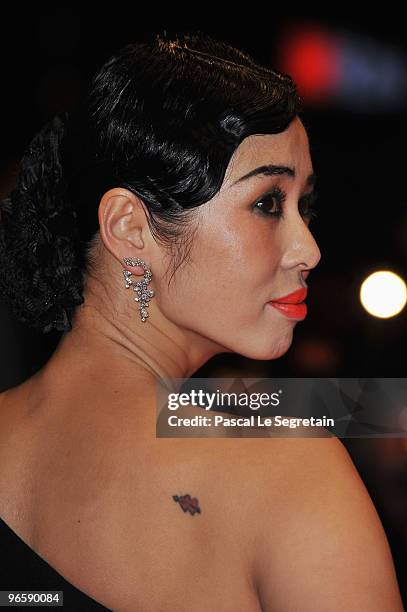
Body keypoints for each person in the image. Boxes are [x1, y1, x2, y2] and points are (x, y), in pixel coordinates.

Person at [0, 30, 403, 611]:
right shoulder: (282, 458)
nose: (309, 249)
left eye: (303, 207)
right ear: (130, 229)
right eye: (268, 203)